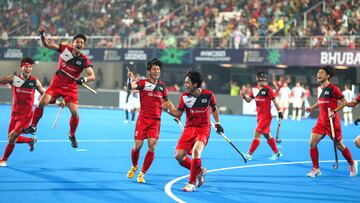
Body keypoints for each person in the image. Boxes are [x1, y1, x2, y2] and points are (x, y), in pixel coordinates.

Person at [21, 24, 95, 149]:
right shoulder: (65, 50)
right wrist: (42, 35)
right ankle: (33, 126)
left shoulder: (84, 60)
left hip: (71, 88)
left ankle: (72, 134)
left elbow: (92, 75)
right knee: (41, 103)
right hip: (56, 84)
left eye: (82, 43)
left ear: (84, 45)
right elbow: (47, 44)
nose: (79, 44)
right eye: (77, 42)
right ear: (73, 43)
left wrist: (84, 79)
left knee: (75, 113)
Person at [165, 70, 223, 192]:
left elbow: (214, 108)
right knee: (179, 156)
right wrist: (167, 110)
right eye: (185, 83)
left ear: (195, 84)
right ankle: (200, 170)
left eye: (187, 83)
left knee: (197, 151)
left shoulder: (208, 95)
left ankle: (191, 183)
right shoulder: (184, 97)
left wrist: (217, 123)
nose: (185, 85)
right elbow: (178, 113)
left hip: (203, 129)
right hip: (189, 129)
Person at [0, 57, 61, 167]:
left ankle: (3, 159)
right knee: (11, 138)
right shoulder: (13, 79)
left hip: (26, 116)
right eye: (26, 66)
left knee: (12, 136)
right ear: (21, 68)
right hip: (14, 114)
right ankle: (30, 140)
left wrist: (56, 102)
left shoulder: (34, 81)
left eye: (30, 67)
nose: (28, 68)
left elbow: (44, 93)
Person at [305, 66, 357, 177]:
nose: (318, 74)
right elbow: (320, 102)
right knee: (312, 143)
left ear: (328, 76)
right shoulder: (322, 89)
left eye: (321, 73)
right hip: (321, 122)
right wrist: (311, 108)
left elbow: (343, 102)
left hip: (332, 123)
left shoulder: (334, 89)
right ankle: (316, 169)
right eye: (318, 72)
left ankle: (352, 163)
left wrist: (334, 111)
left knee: (339, 145)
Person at [126, 58, 172, 183]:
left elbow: (166, 102)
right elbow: (131, 86)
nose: (157, 71)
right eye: (154, 69)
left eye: (158, 69)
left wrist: (175, 112)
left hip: (155, 121)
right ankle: (135, 165)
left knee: (152, 146)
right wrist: (129, 78)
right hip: (143, 119)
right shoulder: (143, 83)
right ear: (149, 71)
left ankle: (142, 173)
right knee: (137, 147)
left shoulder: (162, 86)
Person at [240, 71, 283, 160]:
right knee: (267, 135)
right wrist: (244, 96)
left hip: (266, 117)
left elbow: (274, 101)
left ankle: (249, 154)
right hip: (259, 117)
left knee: (257, 133)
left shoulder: (268, 89)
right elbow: (248, 100)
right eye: (261, 78)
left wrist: (280, 110)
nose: (263, 80)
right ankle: (277, 152)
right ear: (257, 79)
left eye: (264, 78)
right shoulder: (255, 89)